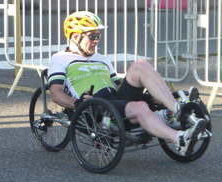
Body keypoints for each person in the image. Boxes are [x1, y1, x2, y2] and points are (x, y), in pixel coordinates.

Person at [47, 11, 208, 155]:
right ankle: (179, 139)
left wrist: (149, 95)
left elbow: (118, 85)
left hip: (114, 99)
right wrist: (76, 102)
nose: (97, 41)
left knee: (141, 65)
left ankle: (177, 108)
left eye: (98, 36)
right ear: (76, 37)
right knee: (140, 107)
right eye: (93, 36)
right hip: (94, 107)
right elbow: (55, 93)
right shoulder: (61, 59)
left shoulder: (101, 58)